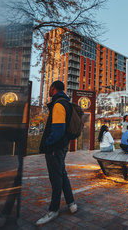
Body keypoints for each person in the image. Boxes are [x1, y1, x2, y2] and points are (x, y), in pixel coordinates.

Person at [36, 81, 77, 225]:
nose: (48, 90)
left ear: (53, 88)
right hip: (63, 145)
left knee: (56, 177)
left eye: (49, 88)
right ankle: (71, 203)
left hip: (55, 147)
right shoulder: (65, 102)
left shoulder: (59, 104)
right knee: (61, 172)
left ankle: (53, 210)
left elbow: (58, 130)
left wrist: (48, 143)